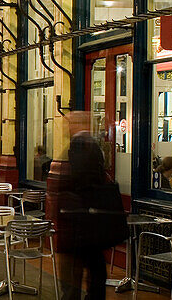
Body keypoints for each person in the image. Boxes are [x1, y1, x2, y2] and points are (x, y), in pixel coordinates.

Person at [56, 111, 115, 300]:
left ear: (78, 124)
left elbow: (81, 181)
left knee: (73, 269)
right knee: (94, 265)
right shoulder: (91, 145)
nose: (66, 126)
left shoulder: (79, 145)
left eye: (69, 123)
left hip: (79, 219)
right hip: (90, 218)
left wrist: (67, 206)